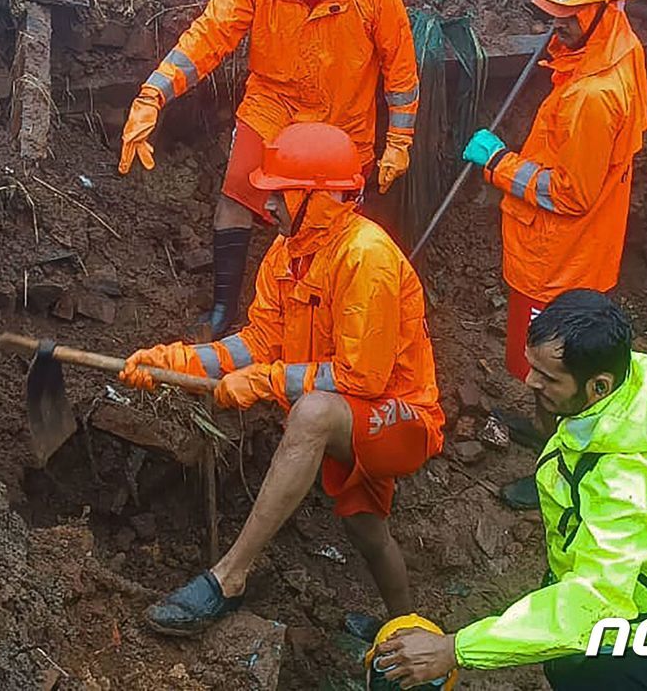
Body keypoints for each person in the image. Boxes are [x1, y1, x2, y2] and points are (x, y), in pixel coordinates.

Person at [116, 122, 443, 635]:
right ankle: (410, 630)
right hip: (352, 416)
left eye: (279, 193)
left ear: (316, 196)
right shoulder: (287, 253)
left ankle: (230, 576)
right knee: (366, 530)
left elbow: (362, 376)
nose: (267, 205)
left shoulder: (366, 256)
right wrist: (177, 362)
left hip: (403, 419)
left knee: (311, 414)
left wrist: (264, 383)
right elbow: (259, 341)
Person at [116, 0, 421, 341]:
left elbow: (400, 74)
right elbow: (207, 37)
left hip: (340, 126)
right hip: (272, 109)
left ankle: (329, 319)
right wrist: (153, 94)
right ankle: (223, 311)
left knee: (332, 228)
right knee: (236, 199)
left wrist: (399, 143)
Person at [371, 290, 647, 691]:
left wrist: (455, 649)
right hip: (586, 612)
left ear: (599, 386)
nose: (529, 380)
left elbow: (592, 604)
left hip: (616, 649)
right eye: (534, 366)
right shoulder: (631, 388)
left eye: (549, 377)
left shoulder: (629, 485)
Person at [461, 0, 647, 508]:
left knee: (552, 371)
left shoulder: (594, 96)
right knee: (551, 367)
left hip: (559, 260)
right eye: (554, 12)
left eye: (567, 15)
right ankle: (549, 436)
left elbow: (570, 192)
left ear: (604, 10)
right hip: (578, 252)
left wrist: (498, 163)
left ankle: (561, 475)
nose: (555, 24)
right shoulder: (619, 50)